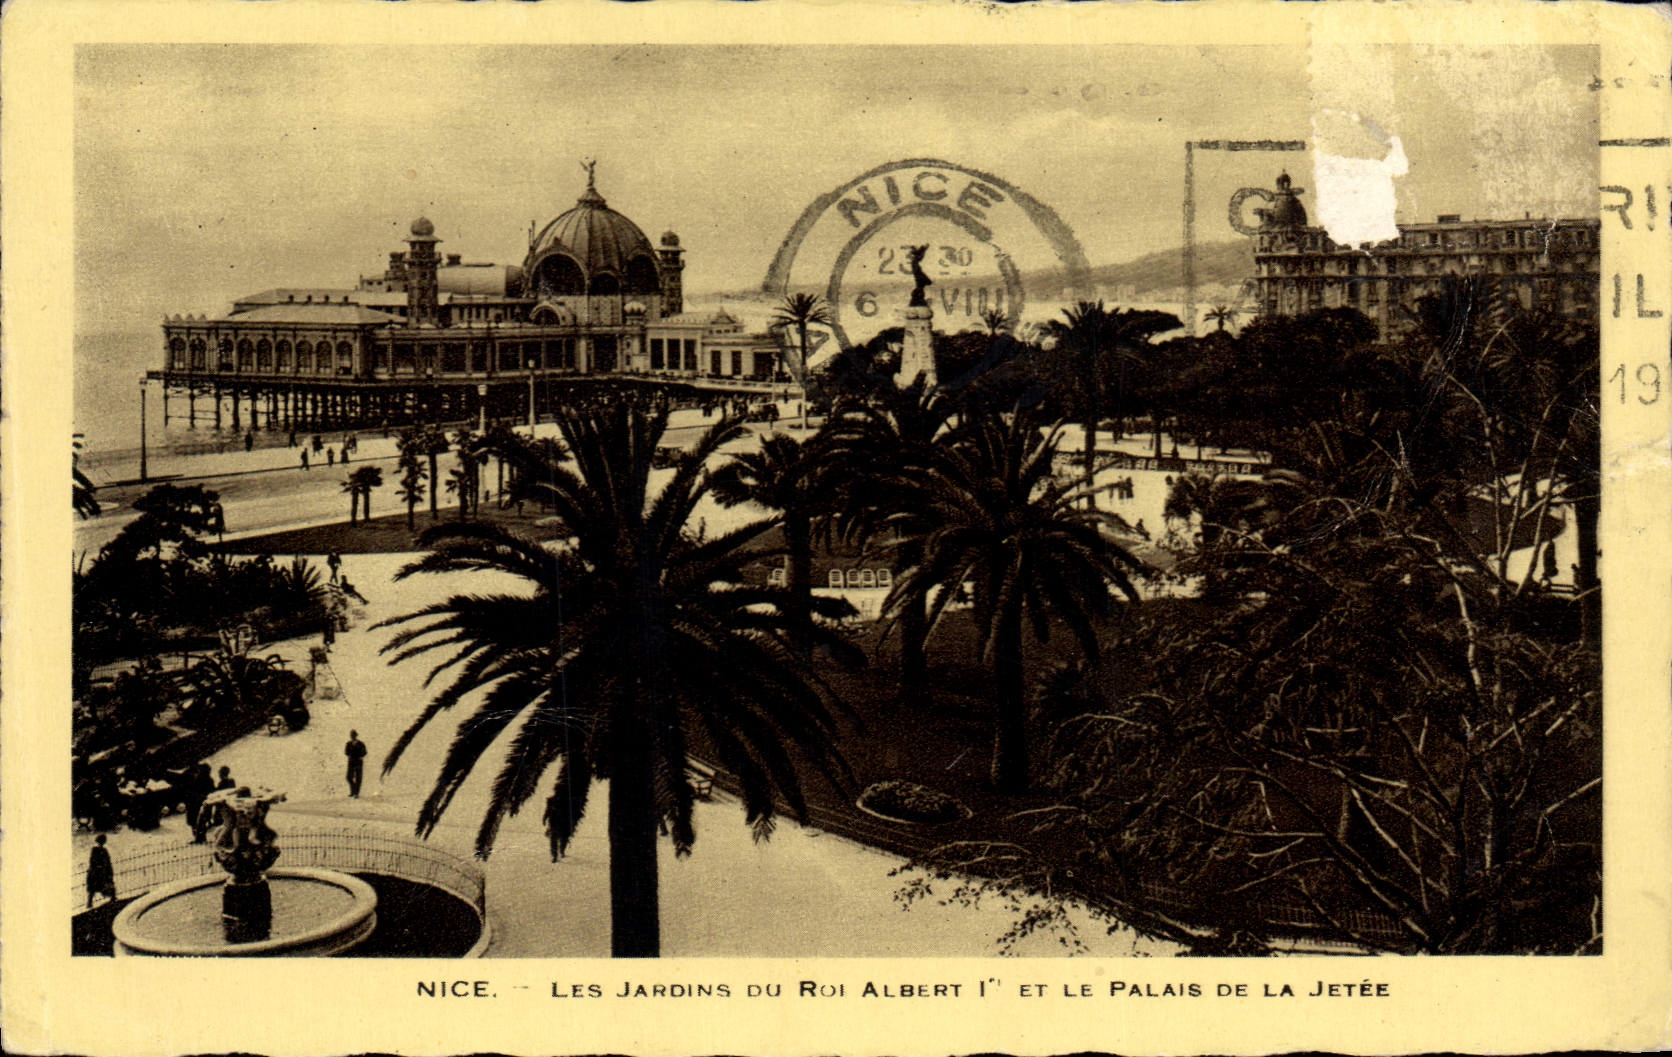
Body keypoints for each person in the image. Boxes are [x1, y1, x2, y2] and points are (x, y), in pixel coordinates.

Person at [86, 835, 116, 909]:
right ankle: (90, 902)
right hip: (98, 872)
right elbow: (93, 861)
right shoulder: (96, 850)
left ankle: (113, 898)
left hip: (100, 872)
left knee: (95, 888)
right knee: (96, 887)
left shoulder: (99, 850)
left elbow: (106, 862)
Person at [344, 731, 367, 798]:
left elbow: (365, 752)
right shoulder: (348, 744)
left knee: (358, 777)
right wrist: (350, 755)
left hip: (358, 762)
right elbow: (346, 752)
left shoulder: (361, 744)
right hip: (351, 761)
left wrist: (360, 756)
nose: (352, 736)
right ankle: (353, 790)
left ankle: (356, 793)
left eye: (353, 735)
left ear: (356, 736)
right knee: (348, 777)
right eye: (351, 735)